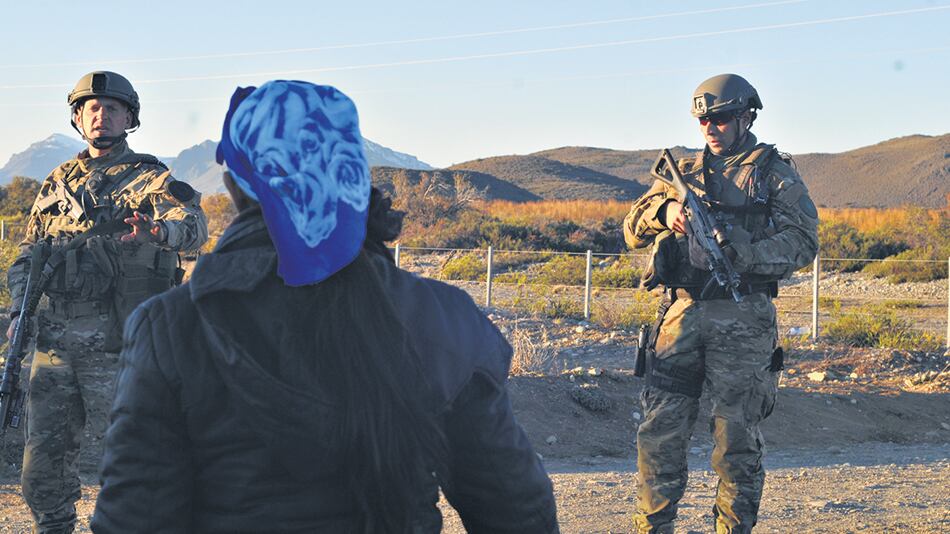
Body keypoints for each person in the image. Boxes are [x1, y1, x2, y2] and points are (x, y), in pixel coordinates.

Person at [91, 80, 559, 533]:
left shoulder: (170, 325)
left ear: (235, 185)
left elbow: (135, 517)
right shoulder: (443, 316)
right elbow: (514, 509)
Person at [6, 70, 208, 534]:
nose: (101, 115)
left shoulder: (149, 178)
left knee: (137, 456)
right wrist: (19, 310)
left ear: (129, 118)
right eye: (92, 107)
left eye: (112, 108)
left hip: (118, 341)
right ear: (78, 117)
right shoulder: (55, 183)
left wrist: (159, 231)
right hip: (53, 342)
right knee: (41, 472)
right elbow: (26, 253)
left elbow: (193, 226)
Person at [623, 73, 818, 533]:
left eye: (722, 118)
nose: (711, 127)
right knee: (659, 437)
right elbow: (632, 228)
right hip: (680, 317)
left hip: (744, 318)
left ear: (746, 115)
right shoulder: (681, 174)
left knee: (736, 443)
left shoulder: (772, 172)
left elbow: (803, 242)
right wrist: (665, 213)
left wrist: (744, 252)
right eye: (704, 119)